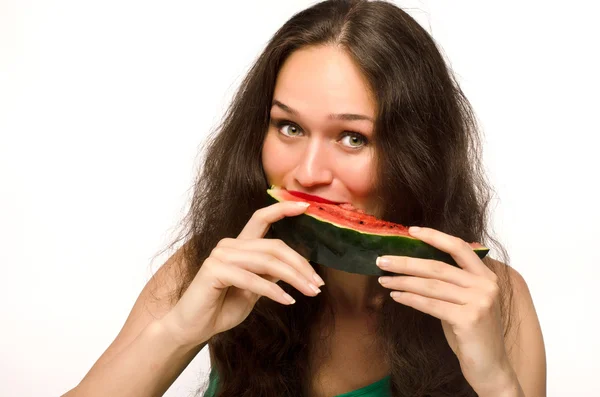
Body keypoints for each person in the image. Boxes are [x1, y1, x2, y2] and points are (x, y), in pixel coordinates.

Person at [62, 0, 546, 396]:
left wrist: (496, 382)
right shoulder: (212, 268)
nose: (307, 173)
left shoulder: (491, 298)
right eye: (289, 127)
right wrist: (178, 332)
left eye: (353, 138)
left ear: (417, 154)